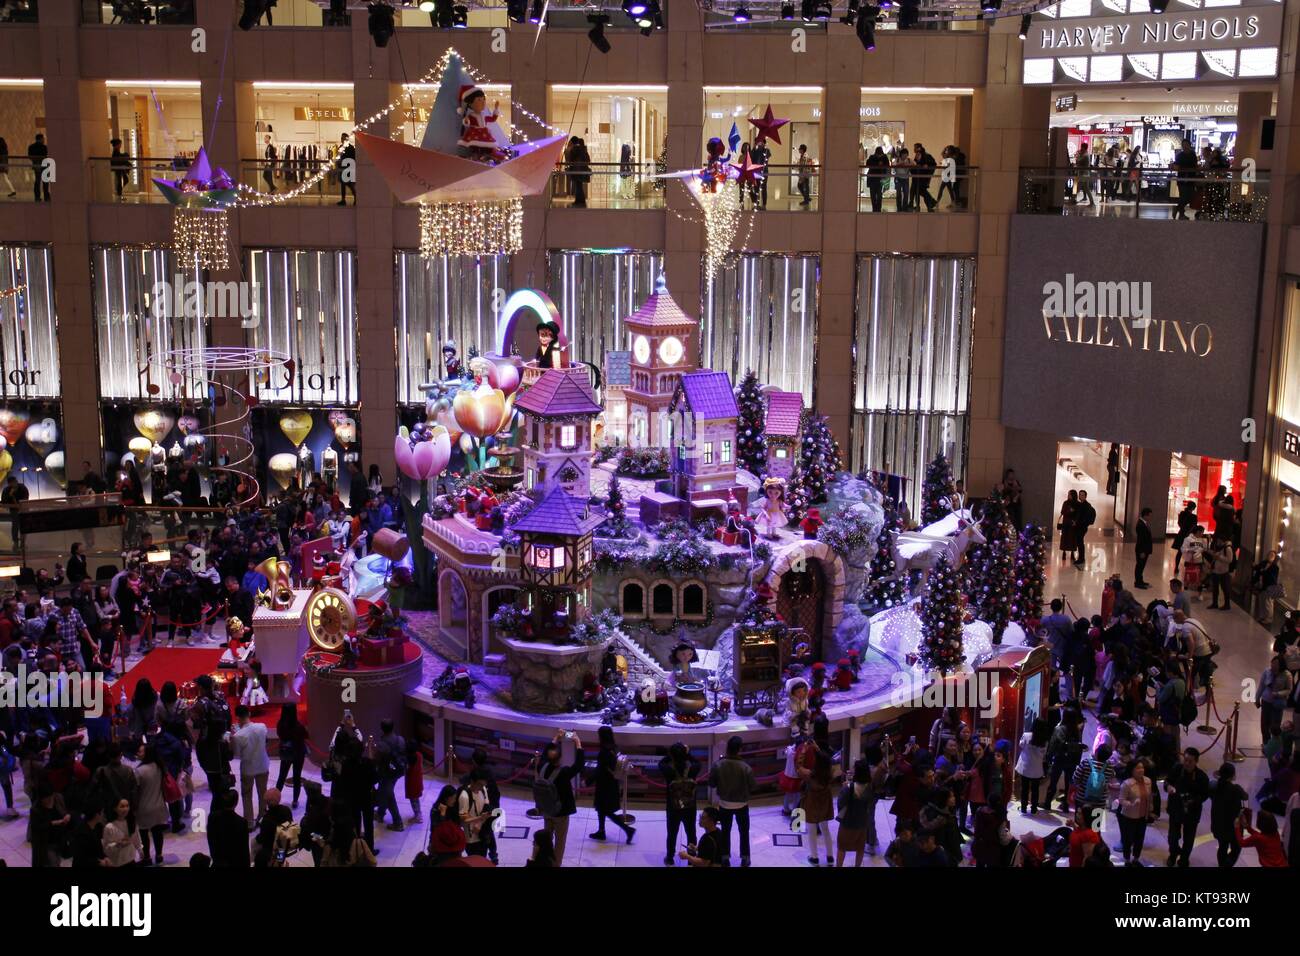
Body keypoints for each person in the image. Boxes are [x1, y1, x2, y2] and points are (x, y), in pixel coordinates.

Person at [534, 730, 583, 866]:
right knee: (559, 843)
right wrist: (577, 742)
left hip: (546, 810)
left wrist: (555, 737)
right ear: (560, 758)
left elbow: (544, 755)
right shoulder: (563, 773)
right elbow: (578, 765)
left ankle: (545, 862)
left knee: (546, 839)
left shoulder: (542, 767)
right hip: (560, 813)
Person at [708, 734, 754, 866]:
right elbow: (753, 786)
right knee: (744, 832)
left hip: (724, 804)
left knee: (725, 831)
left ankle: (724, 857)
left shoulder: (718, 765)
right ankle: (745, 858)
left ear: (727, 748)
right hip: (742, 805)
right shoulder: (746, 767)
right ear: (740, 749)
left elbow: (712, 784)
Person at [590, 725, 636, 844]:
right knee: (602, 809)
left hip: (604, 785)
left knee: (605, 810)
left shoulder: (603, 752)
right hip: (612, 783)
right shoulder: (614, 748)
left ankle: (628, 829)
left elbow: (600, 770)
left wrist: (589, 780)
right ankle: (601, 831)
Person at [226, 704, 270, 828]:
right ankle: (262, 818)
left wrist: (232, 739)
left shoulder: (238, 735)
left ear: (237, 718)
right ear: (249, 714)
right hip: (263, 765)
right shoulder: (262, 727)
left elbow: (237, 754)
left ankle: (250, 823)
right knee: (263, 793)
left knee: (247, 795)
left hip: (248, 768)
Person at [1164, 747, 1209, 867]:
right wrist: (1168, 787)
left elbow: (1204, 795)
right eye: (1186, 760)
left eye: (1190, 761)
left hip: (1192, 813)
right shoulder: (1177, 769)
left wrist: (1192, 800)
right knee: (1172, 837)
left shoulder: (1202, 777)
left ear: (1196, 762)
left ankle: (1184, 859)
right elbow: (1167, 781)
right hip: (1175, 809)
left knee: (1188, 840)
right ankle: (1173, 854)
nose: (1187, 763)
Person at [660, 741, 701, 866]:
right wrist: (688, 754)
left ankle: (669, 856)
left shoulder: (668, 770)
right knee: (691, 832)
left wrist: (670, 755)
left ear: (672, 755)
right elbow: (698, 763)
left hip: (673, 806)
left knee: (672, 833)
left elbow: (661, 763)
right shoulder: (693, 768)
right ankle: (691, 857)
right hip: (690, 806)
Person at [134, 743, 170, 866]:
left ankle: (147, 857)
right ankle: (159, 855)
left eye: (140, 751)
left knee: (144, 834)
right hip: (159, 806)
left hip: (144, 807)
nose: (138, 753)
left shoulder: (139, 771)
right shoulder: (159, 767)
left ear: (147, 753)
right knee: (157, 832)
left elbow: (136, 791)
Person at [1118, 758, 1158, 866]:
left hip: (1142, 816)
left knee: (1140, 838)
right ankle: (1127, 860)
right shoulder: (1126, 784)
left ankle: (1136, 859)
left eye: (1142, 768)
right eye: (1138, 768)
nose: (1141, 770)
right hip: (1129, 816)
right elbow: (1121, 800)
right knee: (1128, 839)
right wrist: (1131, 804)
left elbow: (1149, 798)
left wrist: (1150, 810)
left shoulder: (1148, 781)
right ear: (1132, 770)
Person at [373, 717, 407, 832]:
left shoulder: (381, 745)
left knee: (389, 795)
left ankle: (398, 823)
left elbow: (377, 761)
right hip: (399, 771)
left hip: (387, 773)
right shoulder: (401, 739)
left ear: (382, 729)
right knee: (385, 791)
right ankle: (380, 813)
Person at [274, 702, 308, 808]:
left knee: (281, 776)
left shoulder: (280, 724)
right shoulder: (299, 726)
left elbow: (279, 735)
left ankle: (275, 799)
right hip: (298, 753)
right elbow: (306, 735)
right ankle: (295, 801)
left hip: (286, 753)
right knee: (297, 777)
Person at [1015, 718, 1049, 815]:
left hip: (1025, 766)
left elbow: (1021, 745)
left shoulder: (1026, 735)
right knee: (1035, 789)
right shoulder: (1045, 741)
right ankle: (1034, 809)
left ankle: (1023, 808)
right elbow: (1044, 754)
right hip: (1037, 769)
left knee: (1024, 788)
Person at [456, 769, 493, 857]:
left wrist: (480, 823)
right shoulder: (464, 796)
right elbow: (464, 820)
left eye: (484, 785)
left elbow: (486, 808)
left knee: (483, 858)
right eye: (479, 784)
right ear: (472, 781)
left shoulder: (483, 789)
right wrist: (480, 818)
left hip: (482, 833)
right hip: (471, 838)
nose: (481, 787)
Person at [102, 796, 141, 867]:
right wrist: (118, 844)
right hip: (118, 863)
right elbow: (106, 849)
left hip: (131, 859)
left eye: (127, 806)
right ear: (115, 808)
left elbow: (136, 838)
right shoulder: (109, 827)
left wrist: (140, 850)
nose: (125, 809)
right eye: (122, 806)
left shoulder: (131, 822)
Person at [1204, 534, 1234, 610]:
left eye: (1219, 540)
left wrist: (1219, 557)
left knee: (1225, 588)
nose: (1217, 542)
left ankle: (1227, 605)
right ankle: (1215, 603)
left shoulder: (1227, 548)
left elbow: (1229, 560)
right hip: (1216, 571)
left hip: (1223, 572)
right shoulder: (1219, 547)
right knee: (1215, 588)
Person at [1251, 550, 1282, 624]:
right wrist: (1255, 567)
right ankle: (1262, 616)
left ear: (1275, 557)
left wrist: (1264, 571)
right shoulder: (1264, 563)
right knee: (1261, 601)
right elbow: (1257, 568)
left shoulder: (1275, 567)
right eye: (1269, 554)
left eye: (1272, 555)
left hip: (1269, 587)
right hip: (1262, 585)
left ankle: (1269, 618)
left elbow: (1272, 578)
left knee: (1268, 603)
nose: (1270, 556)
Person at [1171, 138, 1199, 219]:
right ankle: (1181, 214)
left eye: (1186, 145)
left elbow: (1194, 165)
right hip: (1183, 178)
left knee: (1190, 196)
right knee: (1184, 196)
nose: (1185, 146)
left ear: (1189, 145)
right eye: (1183, 145)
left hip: (1190, 178)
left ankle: (1178, 209)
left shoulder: (1192, 155)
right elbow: (1177, 165)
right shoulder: (1180, 155)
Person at [565, 136, 590, 207]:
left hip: (575, 170)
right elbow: (588, 160)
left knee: (578, 185)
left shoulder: (574, 149)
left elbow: (571, 160)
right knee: (579, 185)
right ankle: (580, 200)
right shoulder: (583, 149)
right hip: (582, 170)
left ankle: (580, 200)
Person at [911, 142, 936, 211]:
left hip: (923, 178)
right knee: (919, 191)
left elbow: (932, 164)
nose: (914, 149)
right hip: (919, 177)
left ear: (919, 148)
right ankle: (929, 204)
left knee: (921, 191)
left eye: (915, 147)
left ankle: (931, 203)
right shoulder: (918, 155)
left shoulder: (926, 155)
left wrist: (926, 167)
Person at [1073, 490, 1096, 567]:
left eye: (1082, 495)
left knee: (1080, 543)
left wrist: (1079, 523)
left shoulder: (1086, 506)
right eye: (1080, 495)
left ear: (1085, 496)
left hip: (1082, 527)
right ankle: (1081, 558)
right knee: (1079, 542)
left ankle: (1081, 558)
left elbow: (1085, 518)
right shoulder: (1081, 504)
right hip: (1079, 527)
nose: (1081, 496)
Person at [864, 145, 889, 212]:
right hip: (874, 178)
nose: (879, 156)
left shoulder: (884, 157)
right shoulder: (873, 157)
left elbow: (887, 166)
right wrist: (878, 164)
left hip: (878, 178)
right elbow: (868, 164)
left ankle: (877, 209)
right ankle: (875, 208)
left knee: (878, 195)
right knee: (874, 195)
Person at [1134, 507, 1153, 589]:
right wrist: (1142, 551)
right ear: (1145, 515)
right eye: (1149, 515)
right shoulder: (1141, 525)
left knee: (1141, 566)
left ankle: (1140, 580)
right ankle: (1138, 582)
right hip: (1142, 550)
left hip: (1145, 549)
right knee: (1140, 566)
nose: (1150, 517)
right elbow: (1141, 540)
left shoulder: (1143, 523)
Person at [1058, 490, 1079, 564]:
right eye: (1068, 494)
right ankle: (1064, 552)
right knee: (1065, 537)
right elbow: (1063, 512)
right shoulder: (1065, 503)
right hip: (1066, 523)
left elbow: (1078, 513)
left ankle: (1072, 553)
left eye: (1069, 494)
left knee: (1072, 538)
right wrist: (1070, 511)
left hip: (1073, 524)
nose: (1068, 495)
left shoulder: (1077, 503)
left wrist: (1075, 521)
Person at [27, 132, 49, 202]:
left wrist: (35, 162)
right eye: (43, 139)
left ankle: (37, 196)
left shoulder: (31, 147)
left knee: (37, 181)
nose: (44, 140)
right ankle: (46, 196)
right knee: (45, 182)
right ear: (40, 139)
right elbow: (46, 156)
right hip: (44, 165)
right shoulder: (44, 147)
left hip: (36, 165)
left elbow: (30, 156)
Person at [336, 132, 356, 206]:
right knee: (344, 184)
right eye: (341, 138)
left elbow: (353, 158)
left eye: (343, 138)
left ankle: (355, 198)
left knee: (350, 184)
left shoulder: (350, 148)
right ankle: (343, 199)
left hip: (349, 168)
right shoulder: (341, 147)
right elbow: (339, 157)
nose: (342, 139)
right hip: (343, 168)